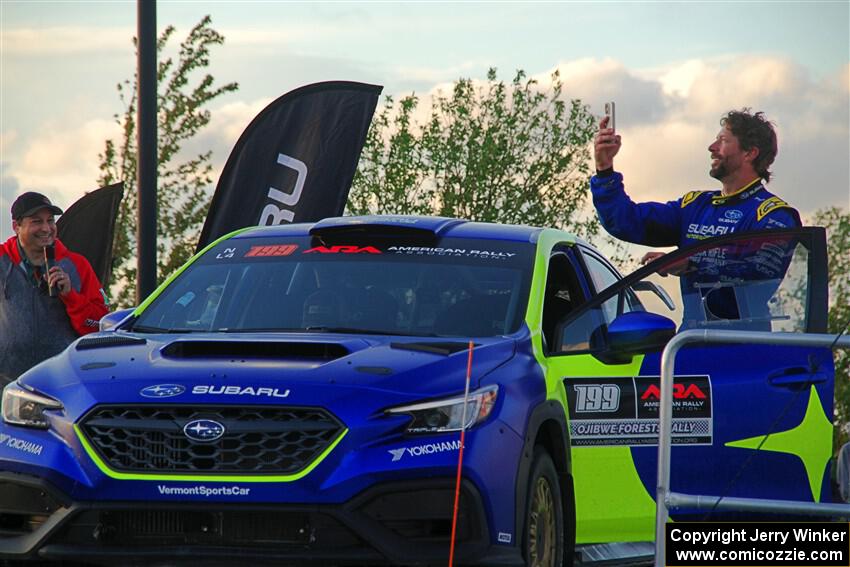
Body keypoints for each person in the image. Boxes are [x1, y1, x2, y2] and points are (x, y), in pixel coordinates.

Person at [589, 109, 801, 327]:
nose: (712, 147)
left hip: (745, 344)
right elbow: (626, 222)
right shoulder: (695, 205)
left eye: (723, 140)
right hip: (691, 340)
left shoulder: (774, 215)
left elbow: (759, 276)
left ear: (750, 153)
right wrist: (605, 170)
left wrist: (691, 262)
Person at [0, 192, 108, 383]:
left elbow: (100, 326)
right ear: (16, 226)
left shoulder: (77, 265)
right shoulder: (2, 261)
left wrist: (71, 296)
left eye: (50, 220)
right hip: (7, 383)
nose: (46, 228)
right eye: (36, 221)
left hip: (61, 382)